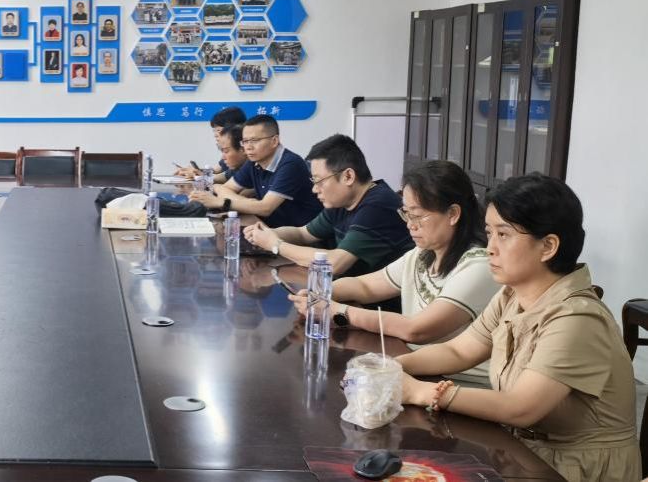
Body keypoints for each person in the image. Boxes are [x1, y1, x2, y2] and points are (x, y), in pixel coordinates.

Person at [392, 174, 639, 482]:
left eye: (504, 235)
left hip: (572, 469)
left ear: (548, 246)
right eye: (489, 233)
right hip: (521, 452)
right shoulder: (512, 295)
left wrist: (420, 391)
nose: (490, 248)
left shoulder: (578, 318)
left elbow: (521, 408)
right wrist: (392, 366)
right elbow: (459, 351)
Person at [289, 161, 497, 383]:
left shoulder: (479, 266)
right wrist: (322, 293)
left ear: (453, 214)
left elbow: (416, 330)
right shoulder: (423, 253)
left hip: (458, 383)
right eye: (406, 213)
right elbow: (367, 286)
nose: (410, 225)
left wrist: (338, 311)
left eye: (417, 215)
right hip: (418, 367)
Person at [244, 134, 413, 278]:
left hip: (377, 302)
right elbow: (303, 233)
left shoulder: (378, 206)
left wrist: (276, 245)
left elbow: (334, 263)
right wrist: (266, 234)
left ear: (348, 176)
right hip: (349, 290)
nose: (314, 189)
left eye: (319, 181)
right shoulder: (342, 201)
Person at [190, 115, 321, 227]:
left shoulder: (290, 164)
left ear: (274, 141)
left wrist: (223, 202)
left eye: (254, 141)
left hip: (296, 235)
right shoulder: (254, 162)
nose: (248, 147)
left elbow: (265, 208)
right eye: (245, 141)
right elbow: (224, 188)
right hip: (266, 226)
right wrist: (248, 203)